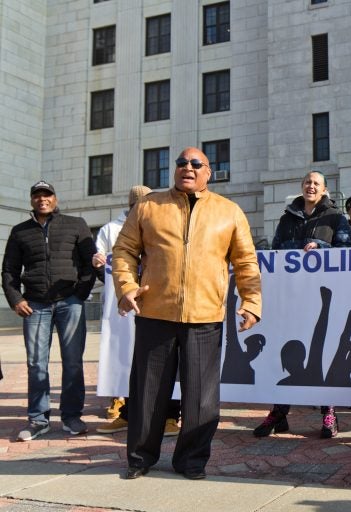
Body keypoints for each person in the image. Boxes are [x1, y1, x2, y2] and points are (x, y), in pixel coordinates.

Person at [112, 147, 262, 480]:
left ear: (209, 172)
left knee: (201, 398)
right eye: (182, 163)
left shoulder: (230, 212)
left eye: (196, 164)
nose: (188, 168)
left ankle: (191, 461)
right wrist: (126, 286)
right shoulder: (148, 206)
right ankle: (140, 458)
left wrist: (251, 301)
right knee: (148, 393)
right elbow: (123, 250)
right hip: (155, 313)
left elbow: (246, 262)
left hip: (205, 316)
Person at [253, 170, 351, 439]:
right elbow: (274, 253)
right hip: (291, 297)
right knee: (285, 353)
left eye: (316, 183)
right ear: (302, 186)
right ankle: (279, 412)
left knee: (322, 353)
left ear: (324, 190)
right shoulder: (287, 218)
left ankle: (329, 412)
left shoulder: (336, 218)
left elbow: (349, 252)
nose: (311, 186)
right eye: (307, 182)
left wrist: (321, 248)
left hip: (323, 298)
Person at [2, 180, 96, 441]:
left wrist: (81, 294)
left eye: (47, 194)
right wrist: (15, 299)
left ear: (55, 198)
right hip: (35, 305)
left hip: (70, 303)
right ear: (32, 200)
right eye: (37, 195)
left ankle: (71, 416)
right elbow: (9, 270)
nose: (42, 199)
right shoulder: (20, 232)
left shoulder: (76, 224)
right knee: (36, 364)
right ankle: (38, 419)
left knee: (74, 361)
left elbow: (90, 263)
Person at [93, 185, 181, 437]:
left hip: (161, 303)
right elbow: (110, 268)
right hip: (127, 307)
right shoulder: (114, 230)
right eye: (137, 205)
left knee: (166, 360)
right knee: (129, 359)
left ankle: (171, 416)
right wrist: (100, 265)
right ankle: (127, 414)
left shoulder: (164, 225)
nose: (142, 208)